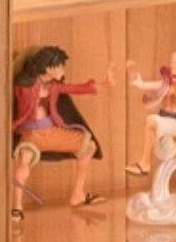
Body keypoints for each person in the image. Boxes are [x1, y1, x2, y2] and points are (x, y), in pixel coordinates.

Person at [11, 44, 107, 222]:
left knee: (89, 146)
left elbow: (78, 88)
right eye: (60, 66)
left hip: (52, 132)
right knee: (25, 160)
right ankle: (17, 207)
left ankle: (78, 193)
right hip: (32, 134)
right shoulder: (25, 86)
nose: (63, 70)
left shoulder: (52, 86)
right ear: (48, 68)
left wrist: (105, 83)